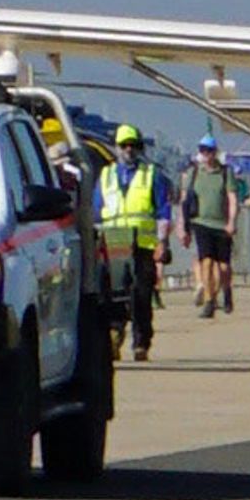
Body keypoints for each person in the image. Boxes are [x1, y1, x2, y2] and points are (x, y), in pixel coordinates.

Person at [95, 123, 165, 362]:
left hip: (143, 244)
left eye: (133, 145)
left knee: (141, 294)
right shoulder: (106, 176)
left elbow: (163, 211)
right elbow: (97, 212)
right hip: (114, 244)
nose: (128, 150)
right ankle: (115, 334)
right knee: (112, 294)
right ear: (116, 148)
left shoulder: (151, 175)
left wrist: (162, 242)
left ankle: (141, 342)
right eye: (124, 145)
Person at [182, 137, 240, 317]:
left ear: (215, 152)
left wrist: (232, 222)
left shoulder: (225, 173)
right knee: (206, 262)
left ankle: (226, 291)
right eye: (203, 150)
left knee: (223, 267)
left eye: (209, 150)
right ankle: (209, 301)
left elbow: (232, 199)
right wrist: (182, 227)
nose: (206, 154)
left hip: (221, 225)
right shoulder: (193, 173)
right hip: (201, 223)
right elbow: (184, 201)